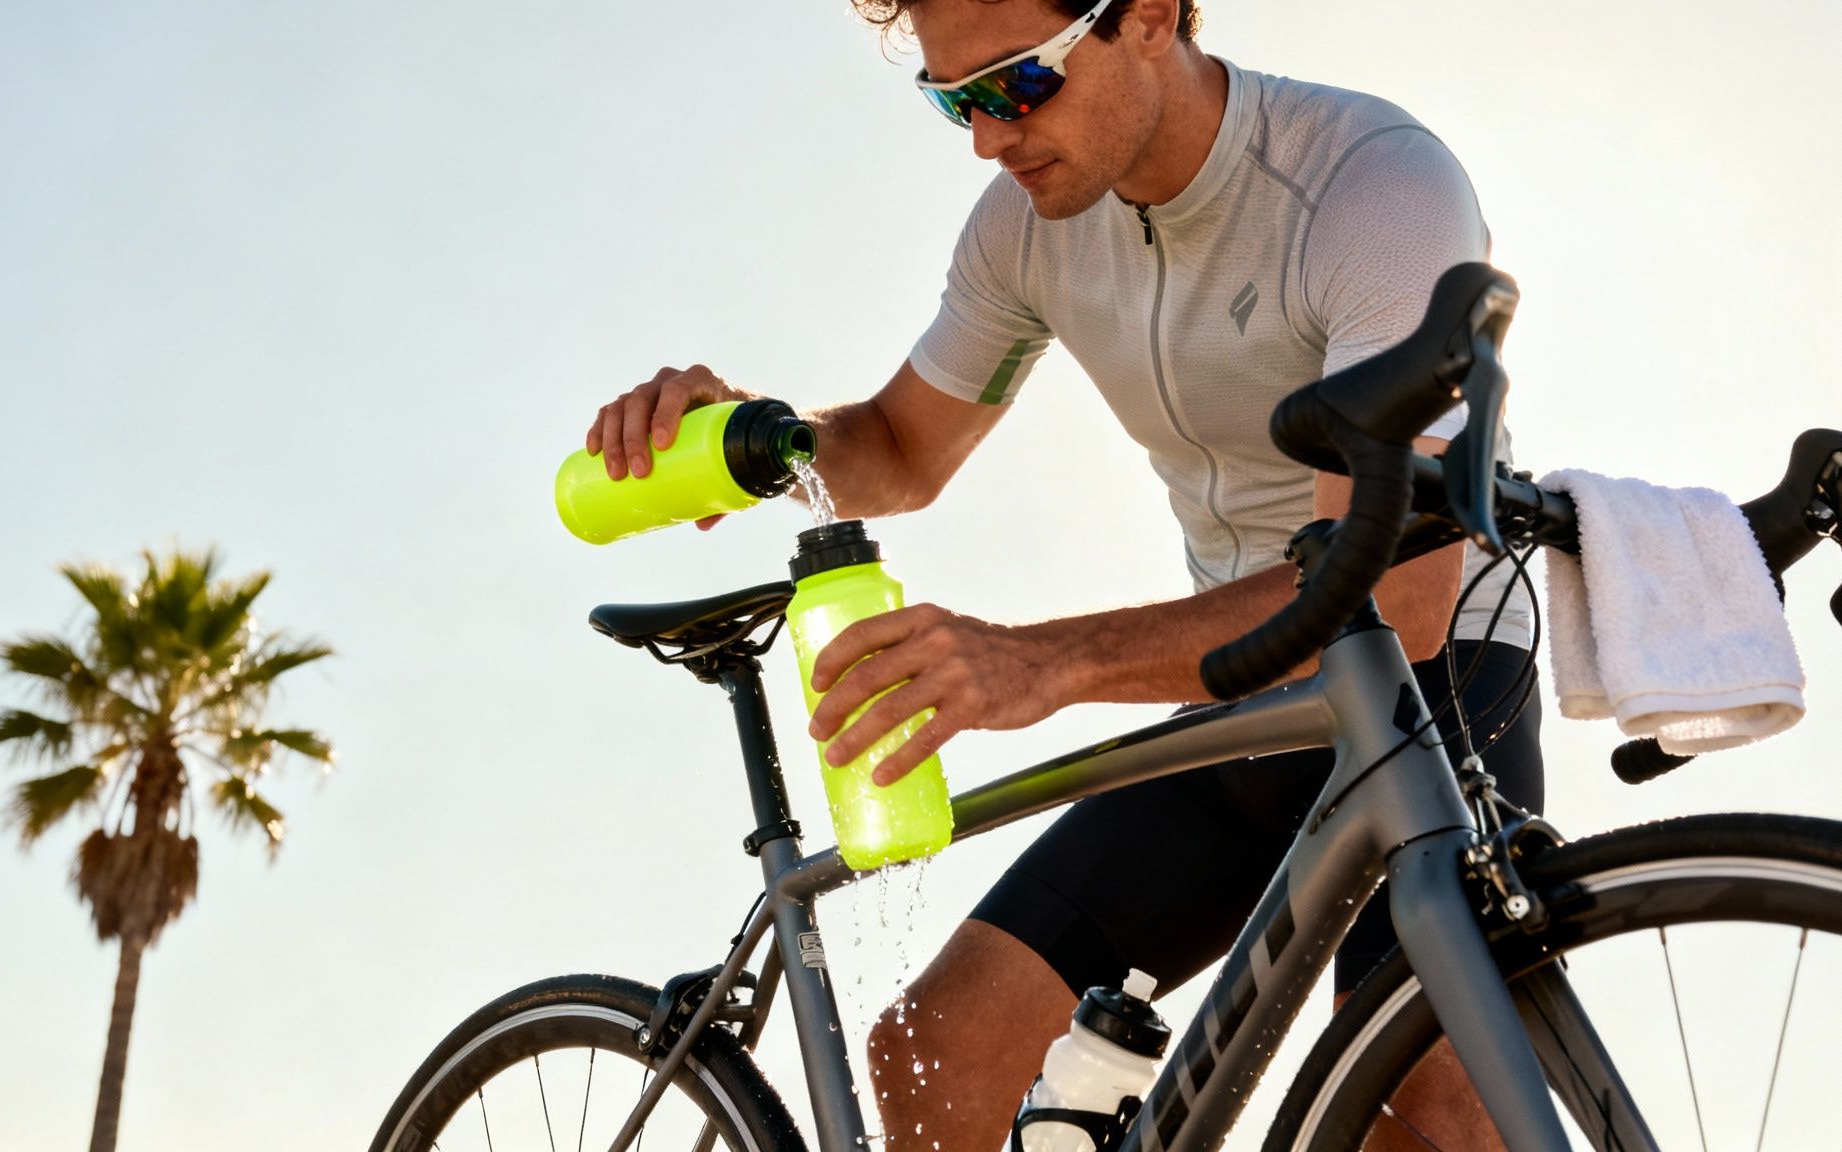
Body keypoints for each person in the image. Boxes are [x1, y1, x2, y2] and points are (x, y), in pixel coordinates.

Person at [584, 1, 1540, 1148]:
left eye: (1011, 87)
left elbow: (1394, 592)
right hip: (1238, 693)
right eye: (952, 102)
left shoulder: (1370, 185)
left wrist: (1038, 661)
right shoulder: (1021, 231)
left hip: (1426, 677)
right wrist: (755, 441)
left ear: (1145, 18)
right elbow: (896, 449)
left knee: (1430, 1109)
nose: (986, 139)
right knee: (935, 1055)